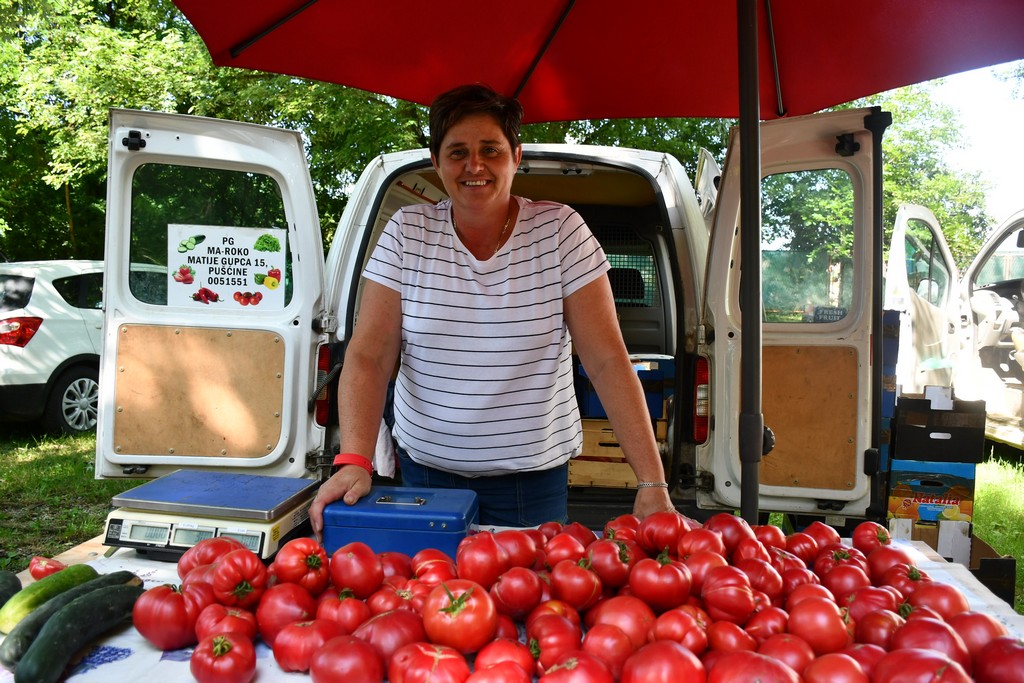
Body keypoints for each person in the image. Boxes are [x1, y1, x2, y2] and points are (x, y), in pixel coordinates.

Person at [309, 84, 673, 536]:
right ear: (437, 160)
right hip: (425, 475)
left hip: (531, 484)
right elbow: (368, 356)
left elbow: (606, 360)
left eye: (490, 150)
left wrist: (652, 480)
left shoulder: (560, 231)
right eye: (457, 151)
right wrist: (354, 460)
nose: (474, 165)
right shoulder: (408, 232)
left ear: (516, 155)